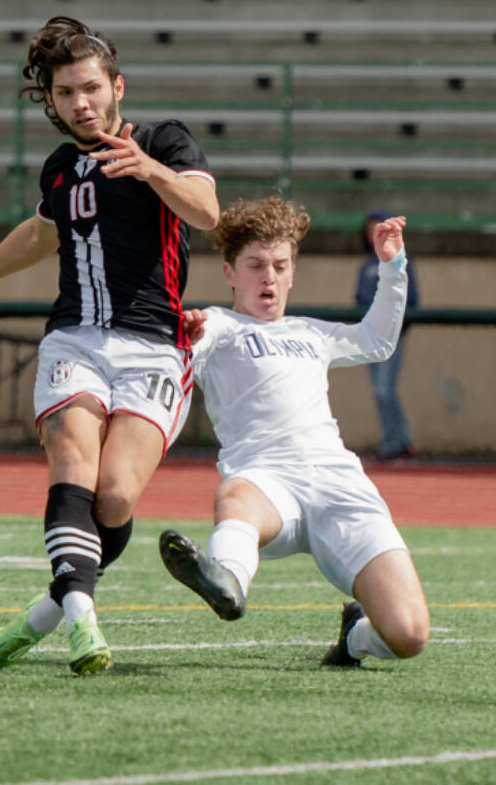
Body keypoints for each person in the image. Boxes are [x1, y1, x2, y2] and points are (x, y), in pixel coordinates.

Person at [0, 16, 219, 676]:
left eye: (90, 88)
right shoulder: (61, 167)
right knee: (72, 465)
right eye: (65, 93)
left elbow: (205, 212)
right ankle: (84, 623)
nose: (80, 103)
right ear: (51, 102)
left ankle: (42, 615)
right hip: (74, 338)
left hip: (153, 346)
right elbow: (39, 234)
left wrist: (148, 171)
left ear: (117, 86)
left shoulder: (165, 141)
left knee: (113, 497)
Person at [157, 196, 429, 667]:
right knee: (235, 495)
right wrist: (185, 335)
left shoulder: (311, 332)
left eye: (280, 265)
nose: (268, 277)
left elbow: (378, 341)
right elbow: (181, 349)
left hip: (339, 486)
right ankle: (228, 582)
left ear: (292, 272)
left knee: (408, 635)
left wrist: (392, 266)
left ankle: (354, 639)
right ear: (229, 273)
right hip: (268, 485)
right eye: (255, 265)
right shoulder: (218, 326)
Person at [355, 208, 418, 462]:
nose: (373, 234)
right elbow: (358, 300)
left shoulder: (399, 262)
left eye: (377, 228)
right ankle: (392, 441)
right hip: (370, 337)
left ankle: (399, 442)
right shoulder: (365, 266)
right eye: (370, 229)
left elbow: (411, 299)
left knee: (385, 390)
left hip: (392, 338)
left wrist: (395, 330)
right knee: (378, 390)